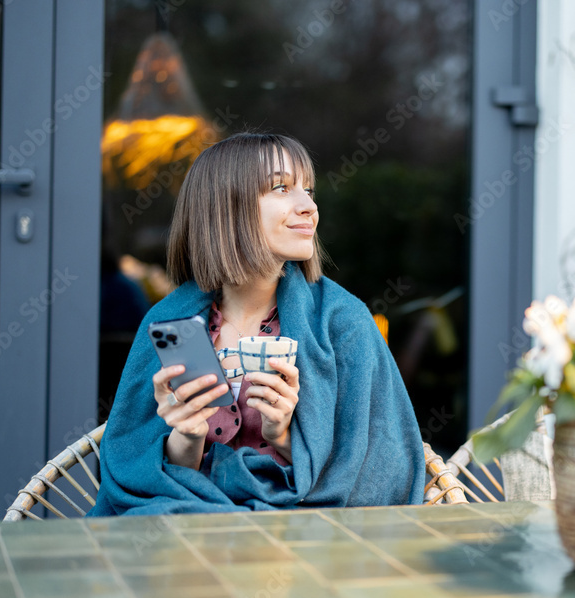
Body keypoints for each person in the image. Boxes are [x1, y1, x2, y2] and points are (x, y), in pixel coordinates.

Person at [89, 133, 426, 515]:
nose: (309, 208)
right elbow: (133, 473)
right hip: (186, 525)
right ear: (226, 208)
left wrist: (282, 434)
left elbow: (378, 469)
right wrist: (187, 435)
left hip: (298, 533)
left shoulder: (343, 322)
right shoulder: (169, 322)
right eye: (282, 188)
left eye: (309, 191)